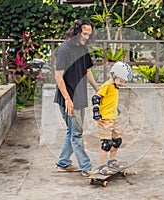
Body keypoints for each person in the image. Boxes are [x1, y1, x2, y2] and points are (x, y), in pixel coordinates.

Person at [54, 19, 99, 177]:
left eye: (89, 34)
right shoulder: (64, 49)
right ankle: (86, 167)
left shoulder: (83, 48)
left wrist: (97, 89)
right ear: (76, 31)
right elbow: (58, 77)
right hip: (68, 99)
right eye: (84, 33)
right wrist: (67, 98)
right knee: (77, 133)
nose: (86, 37)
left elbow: (87, 70)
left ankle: (63, 162)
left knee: (72, 132)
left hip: (80, 97)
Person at [91, 61, 133, 175]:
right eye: (120, 81)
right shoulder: (107, 85)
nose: (122, 84)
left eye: (124, 82)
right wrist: (96, 111)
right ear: (114, 75)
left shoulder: (115, 86)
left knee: (117, 141)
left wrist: (115, 109)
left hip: (113, 118)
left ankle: (111, 161)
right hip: (104, 119)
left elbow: (110, 100)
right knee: (107, 143)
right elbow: (96, 97)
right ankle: (102, 166)